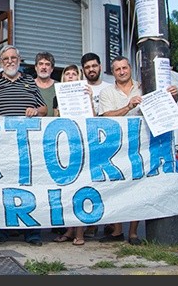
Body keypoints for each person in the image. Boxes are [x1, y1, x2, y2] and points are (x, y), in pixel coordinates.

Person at [97, 55, 178, 246]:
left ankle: (133, 233)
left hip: (143, 146)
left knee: (139, 187)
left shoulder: (146, 86)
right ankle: (117, 230)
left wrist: (173, 95)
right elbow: (106, 116)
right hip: (116, 147)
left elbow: (166, 106)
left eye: (124, 68)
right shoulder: (107, 92)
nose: (122, 72)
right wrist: (128, 107)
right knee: (114, 186)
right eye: (117, 69)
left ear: (130, 68)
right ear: (113, 72)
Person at [0, 44, 47, 246]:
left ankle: (31, 231)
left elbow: (44, 108)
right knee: (1, 185)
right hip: (0, 145)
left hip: (26, 145)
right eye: (6, 59)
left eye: (13, 58)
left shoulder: (29, 80)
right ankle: (1, 230)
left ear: (19, 60)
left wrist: (36, 112)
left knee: (28, 185)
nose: (10, 61)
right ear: (1, 63)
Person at [51, 63, 94, 246]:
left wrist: (90, 99)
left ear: (79, 77)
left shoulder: (86, 93)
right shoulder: (56, 97)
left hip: (82, 143)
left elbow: (92, 117)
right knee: (67, 190)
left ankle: (79, 232)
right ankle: (69, 229)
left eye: (73, 74)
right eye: (67, 74)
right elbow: (54, 120)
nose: (70, 76)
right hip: (65, 144)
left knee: (81, 186)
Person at [79, 52, 111, 239]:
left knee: (106, 184)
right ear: (83, 69)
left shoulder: (109, 88)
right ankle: (90, 224)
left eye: (94, 65)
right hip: (85, 144)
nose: (91, 69)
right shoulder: (77, 88)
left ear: (99, 66)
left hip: (105, 143)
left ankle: (109, 223)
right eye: (87, 67)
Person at [34, 52, 57, 117]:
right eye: (41, 64)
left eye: (47, 64)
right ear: (36, 67)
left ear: (52, 69)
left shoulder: (59, 87)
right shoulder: (28, 85)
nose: (44, 67)